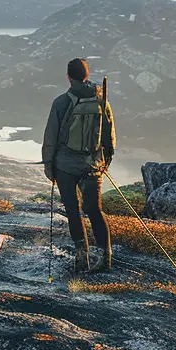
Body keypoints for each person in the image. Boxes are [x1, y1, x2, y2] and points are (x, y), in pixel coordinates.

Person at [42, 58, 115, 273]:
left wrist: (49, 165)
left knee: (73, 212)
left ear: (69, 77)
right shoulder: (102, 100)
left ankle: (82, 257)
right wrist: (105, 161)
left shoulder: (61, 102)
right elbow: (109, 135)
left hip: (65, 165)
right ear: (87, 75)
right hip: (93, 165)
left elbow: (51, 137)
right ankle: (106, 257)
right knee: (95, 210)